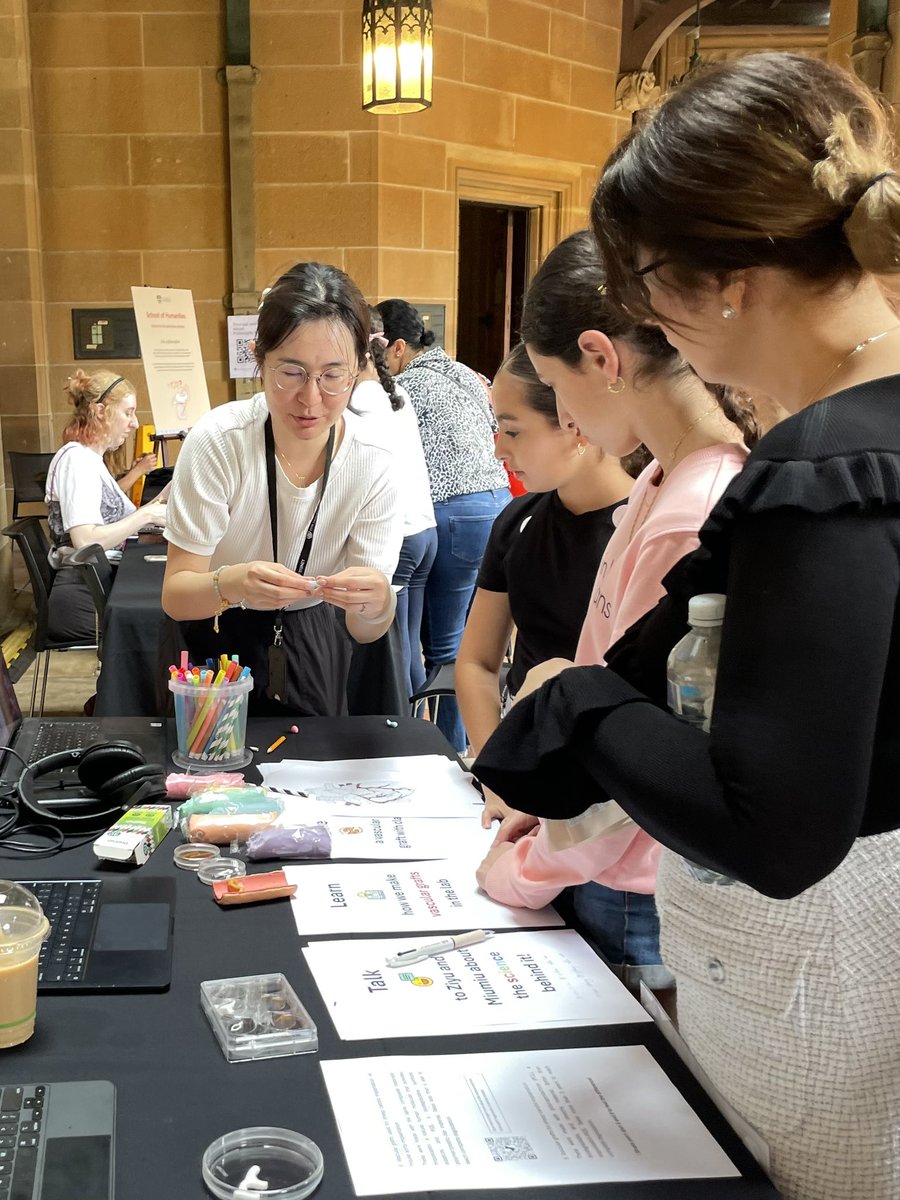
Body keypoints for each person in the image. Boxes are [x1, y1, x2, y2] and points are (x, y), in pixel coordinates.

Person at [474, 53, 900, 1200]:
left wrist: (574, 701)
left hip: (833, 977)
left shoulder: (830, 461)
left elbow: (775, 827)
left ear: (724, 283)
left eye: (646, 286)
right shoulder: (842, 436)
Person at [473, 232, 751, 988]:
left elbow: (632, 754)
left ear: (601, 358)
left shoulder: (692, 511)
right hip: (598, 854)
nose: (564, 416)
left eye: (554, 388)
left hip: (629, 876)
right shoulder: (663, 477)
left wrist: (521, 871)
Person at [162, 262, 402, 717]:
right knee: (213, 758)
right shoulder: (220, 441)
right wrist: (233, 583)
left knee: (312, 757)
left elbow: (365, 629)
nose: (311, 399)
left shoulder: (374, 458)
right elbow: (176, 596)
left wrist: (377, 605)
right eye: (291, 372)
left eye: (333, 375)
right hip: (213, 633)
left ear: (359, 367)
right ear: (258, 359)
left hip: (317, 634)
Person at [456, 340, 633, 825]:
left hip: (611, 788)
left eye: (513, 431)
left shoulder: (645, 529)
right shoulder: (518, 521)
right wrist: (497, 773)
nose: (499, 450)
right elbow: (477, 662)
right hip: (525, 756)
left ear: (575, 424)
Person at [375, 298, 511, 752]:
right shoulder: (464, 372)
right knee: (477, 642)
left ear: (398, 347)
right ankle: (469, 742)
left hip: (453, 513)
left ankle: (449, 750)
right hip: (498, 506)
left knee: (446, 649)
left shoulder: (403, 387)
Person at [44, 369, 168, 643]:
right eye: (128, 412)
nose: (134, 423)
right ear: (100, 412)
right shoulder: (77, 461)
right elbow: (85, 541)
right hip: (85, 601)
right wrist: (146, 514)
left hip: (97, 588)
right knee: (173, 625)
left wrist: (169, 492)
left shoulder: (90, 460)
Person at [350, 312, 437, 697]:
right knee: (411, 648)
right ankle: (422, 724)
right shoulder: (395, 392)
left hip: (398, 535)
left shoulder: (357, 402)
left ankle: (407, 725)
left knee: (396, 652)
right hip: (424, 530)